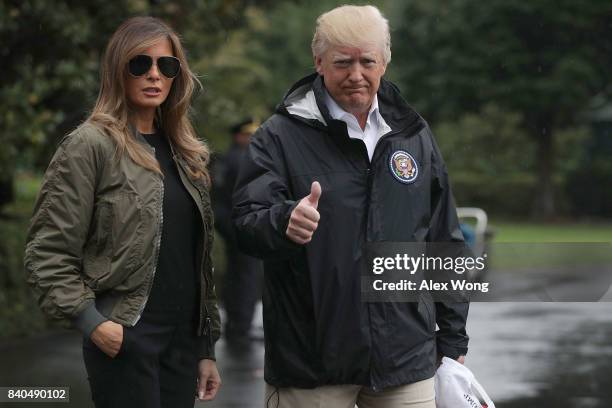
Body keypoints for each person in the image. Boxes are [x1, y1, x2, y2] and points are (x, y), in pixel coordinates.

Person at [232, 5, 469, 408]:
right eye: (342, 62)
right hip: (312, 362)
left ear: (385, 62)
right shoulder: (279, 136)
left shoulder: (413, 133)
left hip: (404, 359)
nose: (356, 74)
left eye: (367, 61)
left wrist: (453, 336)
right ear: (319, 62)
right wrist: (283, 221)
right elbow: (245, 222)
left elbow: (443, 237)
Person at [24, 16, 221, 408]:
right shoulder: (89, 145)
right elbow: (47, 253)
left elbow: (197, 261)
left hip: (181, 343)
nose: (153, 75)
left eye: (166, 66)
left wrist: (205, 347)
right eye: (139, 64)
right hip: (125, 336)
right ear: (118, 70)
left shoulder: (186, 154)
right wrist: (93, 324)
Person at [211, 119, 264, 345]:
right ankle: (242, 324)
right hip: (241, 225)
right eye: (249, 135)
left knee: (236, 273)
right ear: (239, 136)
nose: (253, 139)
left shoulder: (226, 159)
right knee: (247, 275)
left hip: (226, 223)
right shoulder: (243, 159)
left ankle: (235, 322)